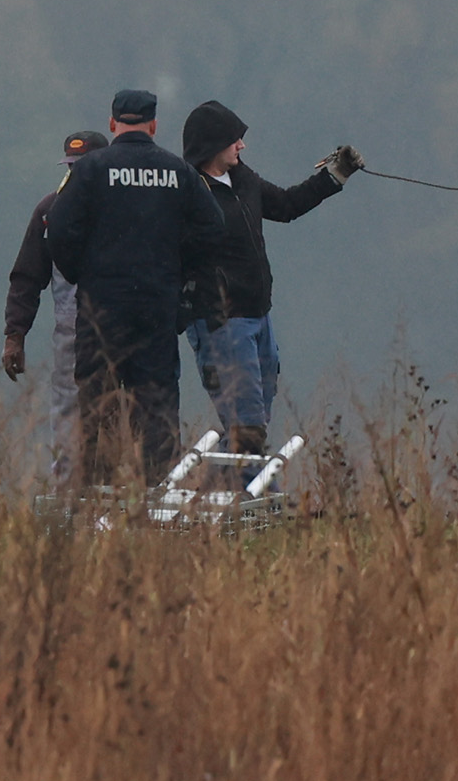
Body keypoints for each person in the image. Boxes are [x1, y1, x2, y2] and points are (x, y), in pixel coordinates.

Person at [38, 89, 226, 488]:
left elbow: (58, 231)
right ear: (154, 125)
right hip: (157, 309)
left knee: (99, 406)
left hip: (100, 309)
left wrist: (81, 276)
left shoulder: (90, 170)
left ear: (112, 124)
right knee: (156, 407)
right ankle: (157, 495)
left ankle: (97, 498)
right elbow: (213, 231)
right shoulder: (178, 172)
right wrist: (178, 275)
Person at [176, 100, 363, 455]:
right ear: (212, 145)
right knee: (245, 426)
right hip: (220, 324)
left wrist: (334, 175)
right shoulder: (187, 192)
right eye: (234, 139)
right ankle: (255, 500)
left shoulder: (243, 178)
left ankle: (232, 499)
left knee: (254, 422)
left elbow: (287, 205)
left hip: (258, 317)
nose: (241, 145)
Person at [1, 130, 109, 485]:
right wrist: (14, 335)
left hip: (123, 328)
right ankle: (68, 498)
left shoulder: (124, 207)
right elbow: (27, 277)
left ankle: (124, 494)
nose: (77, 173)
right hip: (71, 334)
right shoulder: (50, 209)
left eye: (85, 166)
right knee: (67, 414)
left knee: (122, 411)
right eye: (71, 166)